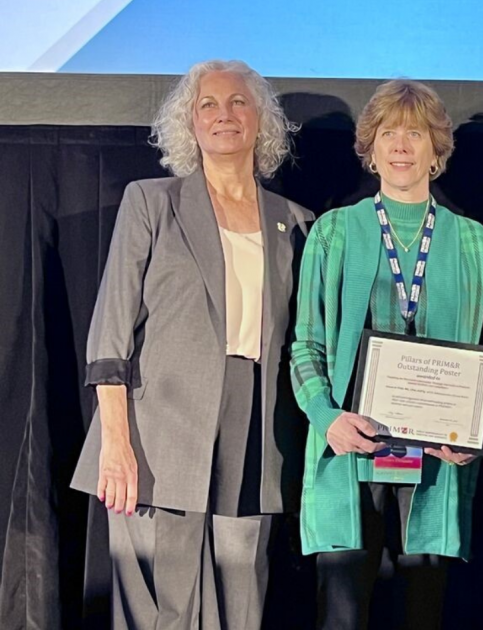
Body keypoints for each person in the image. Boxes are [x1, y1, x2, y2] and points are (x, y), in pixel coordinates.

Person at [71, 59, 314, 629]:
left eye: (238, 103)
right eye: (208, 104)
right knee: (164, 610)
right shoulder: (151, 202)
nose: (224, 114)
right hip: (154, 436)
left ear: (262, 122)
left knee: (241, 603)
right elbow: (110, 333)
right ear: (190, 123)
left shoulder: (297, 222)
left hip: (254, 432)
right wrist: (115, 442)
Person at [290, 79, 483, 629]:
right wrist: (326, 417)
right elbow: (305, 344)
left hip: (435, 458)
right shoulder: (333, 232)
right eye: (388, 133)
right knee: (342, 616)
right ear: (370, 147)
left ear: (437, 151)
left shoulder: (475, 241)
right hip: (349, 448)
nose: (401, 144)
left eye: (415, 133)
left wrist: (472, 431)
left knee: (424, 615)